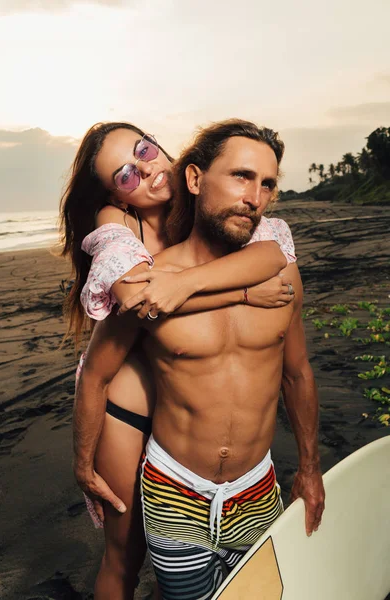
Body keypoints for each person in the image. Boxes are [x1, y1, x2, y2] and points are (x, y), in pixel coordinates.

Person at [75, 119, 325, 600]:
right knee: (123, 555)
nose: (146, 170)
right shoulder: (122, 234)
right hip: (136, 417)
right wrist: (82, 463)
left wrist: (310, 467)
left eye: (145, 150)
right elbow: (140, 302)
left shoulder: (260, 238)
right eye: (124, 175)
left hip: (247, 477)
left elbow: (273, 260)